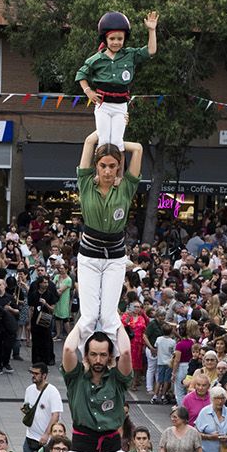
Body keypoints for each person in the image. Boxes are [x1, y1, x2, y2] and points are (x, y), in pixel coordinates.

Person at [71, 134, 144, 351]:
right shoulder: (85, 184)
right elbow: (88, 142)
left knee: (110, 316)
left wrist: (117, 135)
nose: (108, 171)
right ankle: (84, 357)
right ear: (96, 166)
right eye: (103, 165)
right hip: (89, 255)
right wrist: (105, 130)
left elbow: (138, 148)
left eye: (113, 166)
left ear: (118, 166)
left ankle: (117, 360)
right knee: (89, 315)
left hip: (115, 256)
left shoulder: (126, 188)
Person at [60, 325, 132, 452]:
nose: (98, 360)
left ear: (110, 356)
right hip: (82, 451)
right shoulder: (75, 378)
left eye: (103, 355)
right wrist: (84, 323)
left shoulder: (117, 380)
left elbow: (126, 352)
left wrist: (115, 324)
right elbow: (67, 350)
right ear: (86, 355)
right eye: (93, 354)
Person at [76, 10, 157, 148]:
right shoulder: (96, 59)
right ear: (105, 39)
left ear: (124, 39)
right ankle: (100, 169)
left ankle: (118, 169)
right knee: (104, 141)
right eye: (112, 39)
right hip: (103, 105)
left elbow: (151, 50)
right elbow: (81, 74)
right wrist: (88, 91)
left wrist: (151, 30)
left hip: (120, 106)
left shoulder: (130, 55)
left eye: (120, 39)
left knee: (117, 142)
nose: (116, 42)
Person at [21, 363, 63, 452]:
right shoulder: (29, 389)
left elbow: (55, 415)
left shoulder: (52, 392)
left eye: (36, 373)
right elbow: (28, 407)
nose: (33, 376)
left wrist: (46, 434)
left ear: (44, 375)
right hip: (30, 437)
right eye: (32, 373)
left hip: (45, 441)